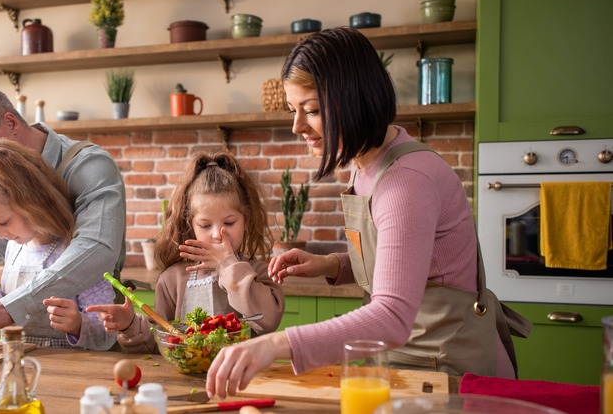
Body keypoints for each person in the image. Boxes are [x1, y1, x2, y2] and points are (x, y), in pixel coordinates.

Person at [205, 27, 530, 399]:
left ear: (354, 100)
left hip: (449, 370)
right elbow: (410, 260)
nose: (297, 127)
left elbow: (391, 315)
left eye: (311, 110)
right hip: (411, 359)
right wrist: (332, 265)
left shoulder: (406, 181)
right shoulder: (368, 164)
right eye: (293, 111)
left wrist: (271, 346)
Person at [0, 85, 126, 347]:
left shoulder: (89, 166)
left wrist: (9, 309)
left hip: (86, 349)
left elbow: (95, 249)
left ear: (11, 122)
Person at [88, 151, 285, 353]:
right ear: (191, 226)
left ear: (246, 221)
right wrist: (130, 324)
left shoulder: (259, 274)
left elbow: (267, 321)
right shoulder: (173, 279)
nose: (218, 234)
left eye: (229, 222)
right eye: (205, 225)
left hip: (245, 380)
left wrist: (227, 264)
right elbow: (159, 343)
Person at [0, 139, 116, 350]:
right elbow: (9, 298)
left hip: (64, 373)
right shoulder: (16, 247)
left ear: (32, 204)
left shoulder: (77, 253)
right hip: (16, 366)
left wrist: (78, 324)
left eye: (3, 222)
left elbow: (106, 335)